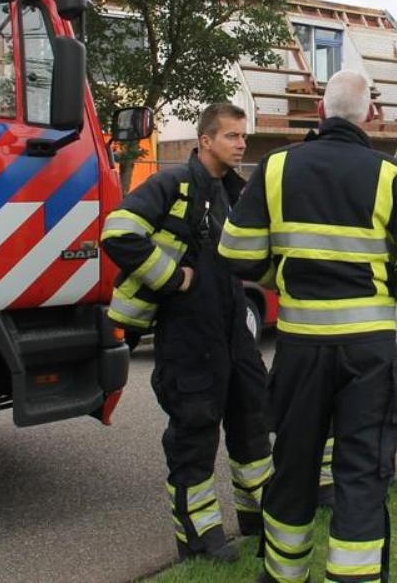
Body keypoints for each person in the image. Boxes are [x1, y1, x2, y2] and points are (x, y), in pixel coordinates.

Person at [220, 71, 397, 583]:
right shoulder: (391, 176)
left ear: (320, 112)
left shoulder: (276, 166)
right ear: (369, 114)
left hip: (300, 348)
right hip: (368, 352)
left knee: (293, 465)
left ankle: (283, 575)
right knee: (362, 472)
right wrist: (389, 290)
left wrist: (282, 278)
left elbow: (235, 252)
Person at [101, 103, 272, 563]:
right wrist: (174, 278)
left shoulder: (234, 192)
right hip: (188, 337)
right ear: (206, 141)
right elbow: (118, 232)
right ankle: (200, 538)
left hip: (233, 333)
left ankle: (257, 516)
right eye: (232, 136)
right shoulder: (173, 184)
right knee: (195, 434)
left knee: (252, 421)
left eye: (243, 136)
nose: (241, 144)